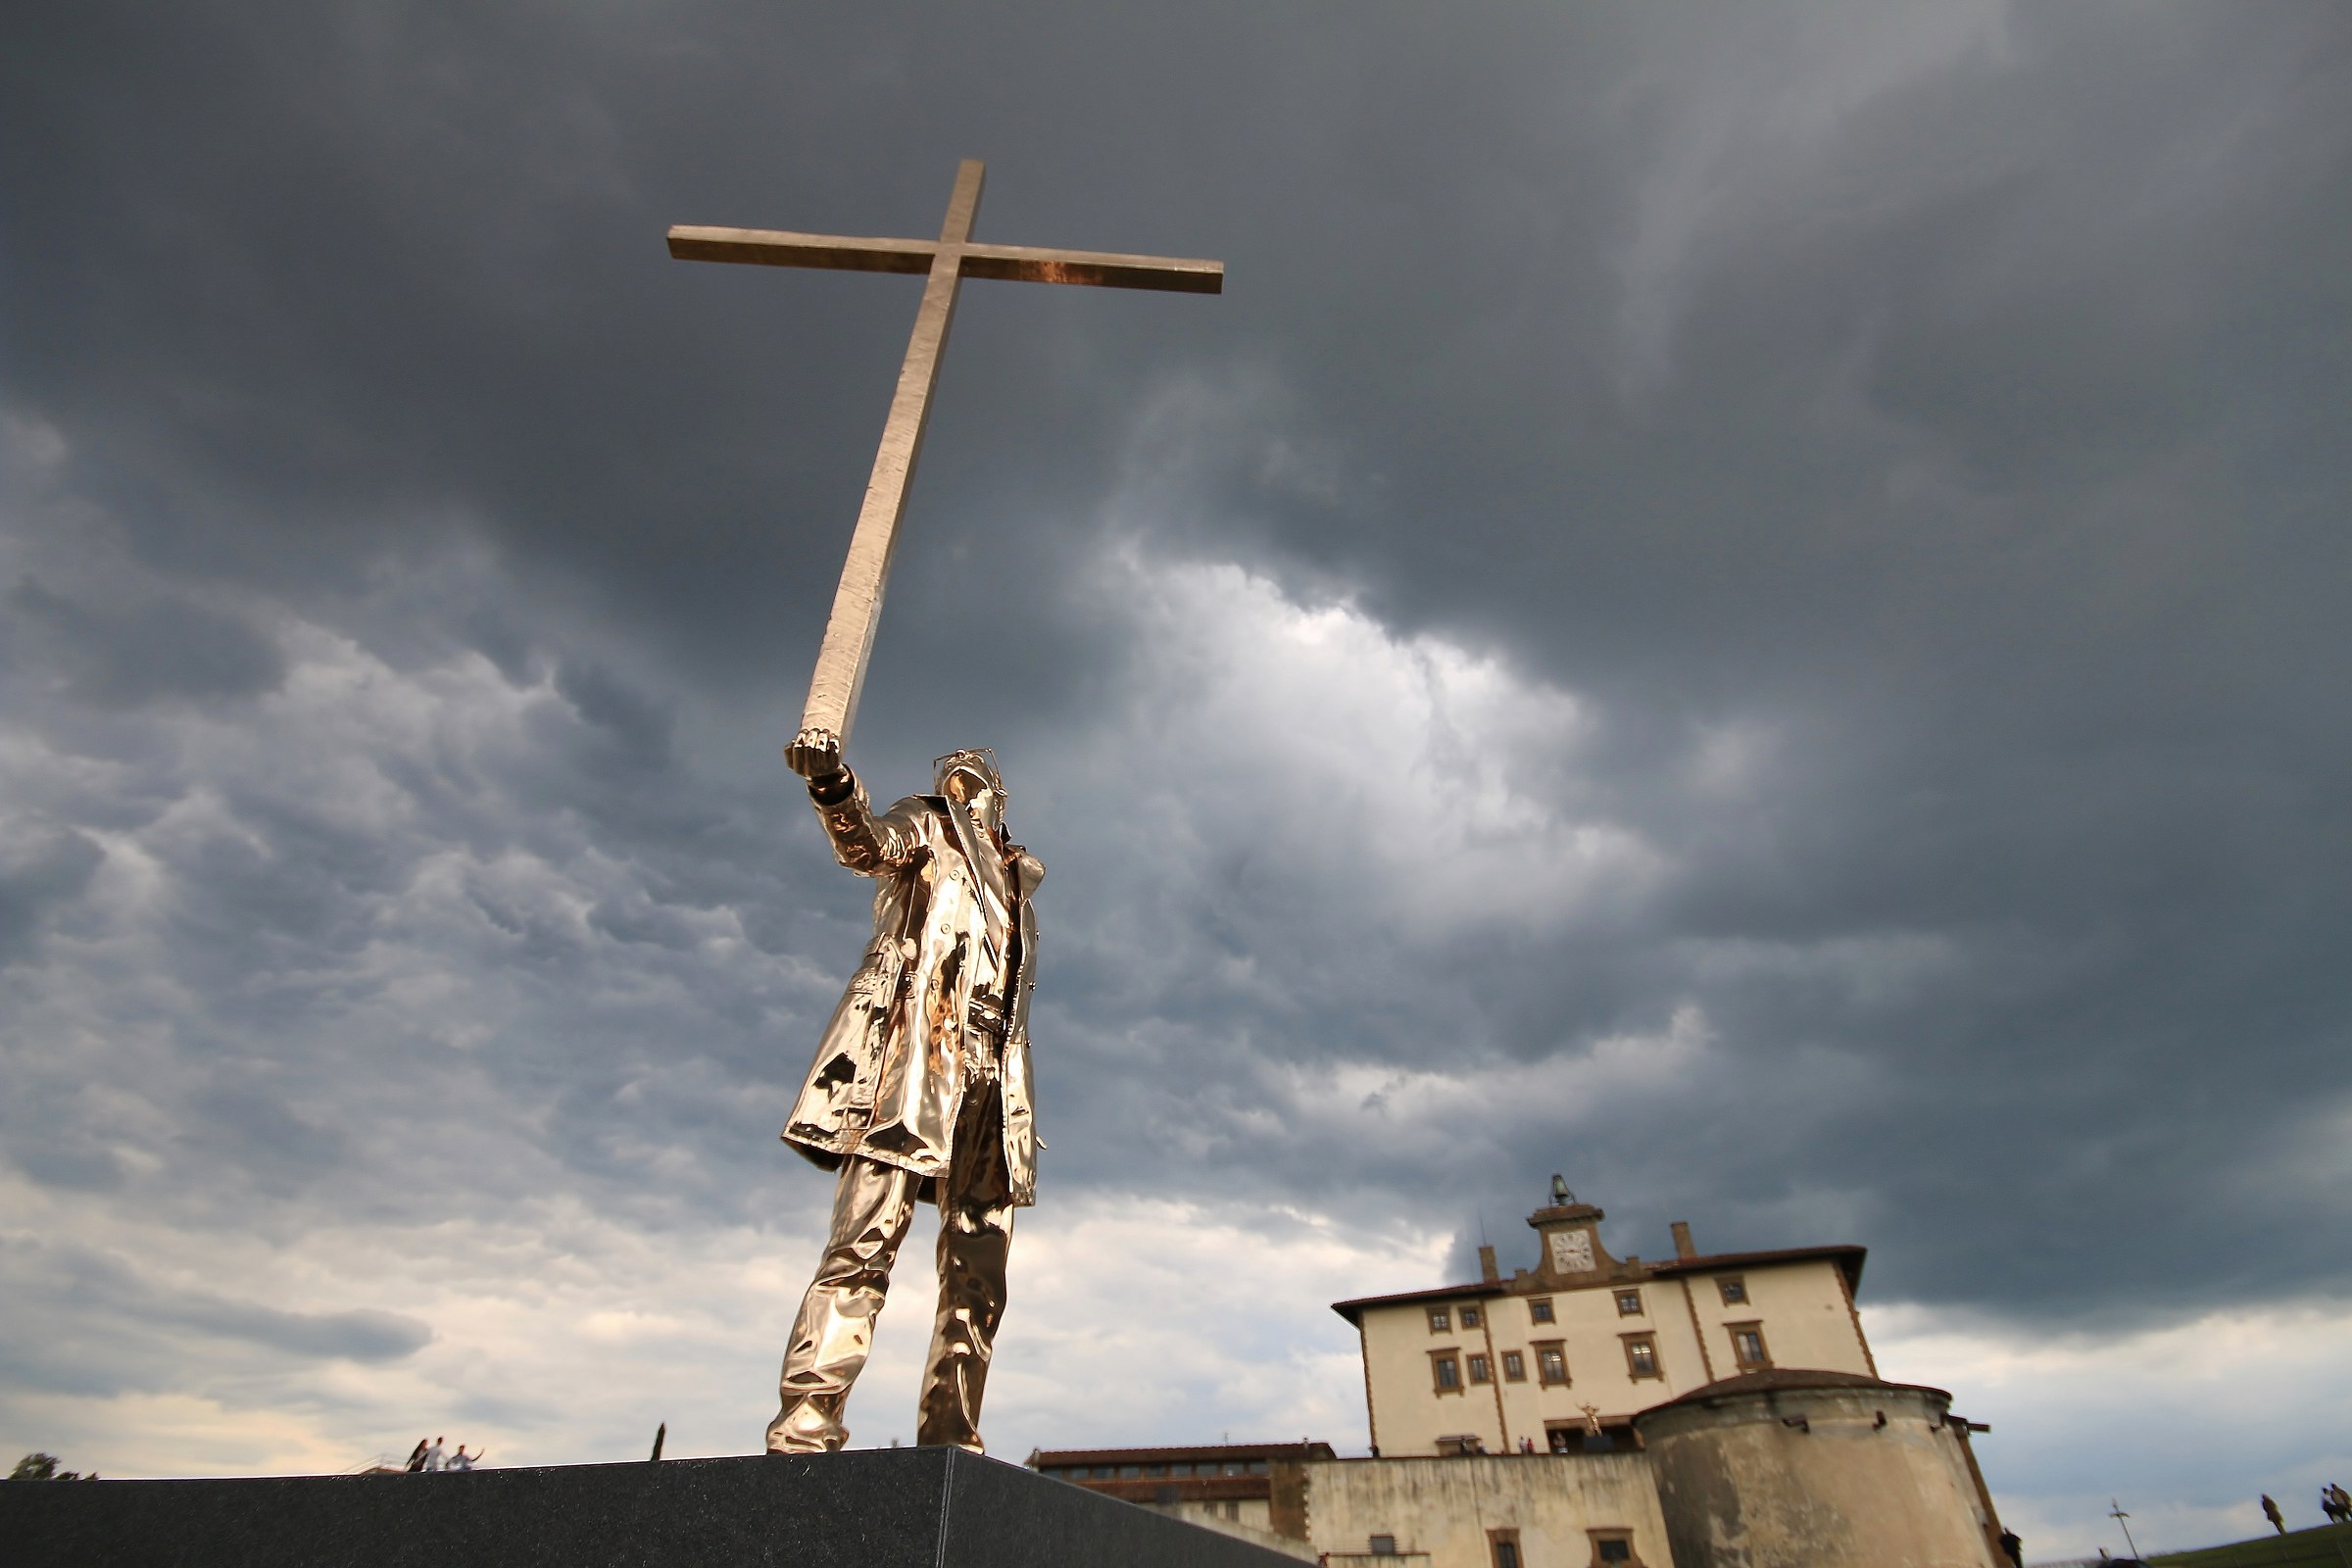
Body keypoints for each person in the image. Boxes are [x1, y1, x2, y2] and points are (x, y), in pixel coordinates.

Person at [765, 734, 1044, 1456]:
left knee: (979, 1274)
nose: (964, 776)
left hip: (993, 1081)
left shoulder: (1017, 876)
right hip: (914, 1065)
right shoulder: (925, 826)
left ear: (999, 795)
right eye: (954, 771)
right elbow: (863, 845)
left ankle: (952, 1435)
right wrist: (832, 787)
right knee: (863, 1244)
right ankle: (807, 1421)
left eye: (976, 772)